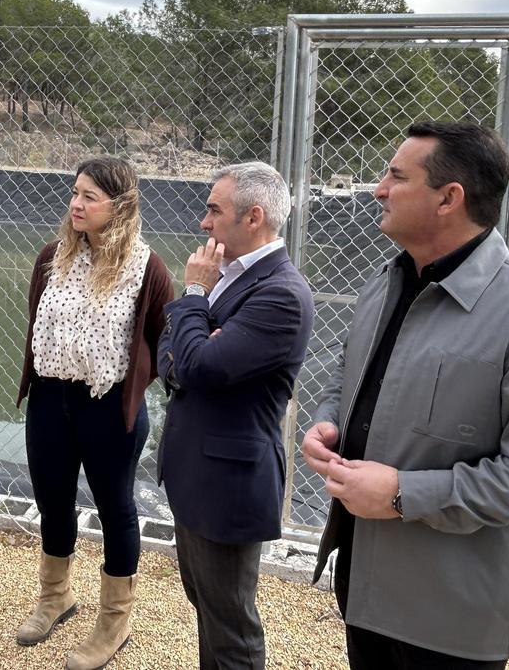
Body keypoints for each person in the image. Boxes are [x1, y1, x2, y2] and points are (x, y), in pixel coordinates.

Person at [303, 121, 509, 668]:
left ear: (448, 198)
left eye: (395, 176)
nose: (377, 189)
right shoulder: (386, 281)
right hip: (366, 587)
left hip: (451, 619)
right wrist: (328, 421)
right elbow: (349, 372)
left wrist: (403, 494)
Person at [14, 156, 174, 670]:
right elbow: (40, 322)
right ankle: (55, 596)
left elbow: (160, 341)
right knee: (52, 501)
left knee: (116, 510)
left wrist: (134, 387)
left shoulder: (147, 269)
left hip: (108, 408)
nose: (75, 204)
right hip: (49, 401)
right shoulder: (51, 256)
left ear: (120, 205)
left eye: (89, 196)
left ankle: (113, 621)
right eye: (75, 193)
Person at [157, 161, 315, 670]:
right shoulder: (227, 275)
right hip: (197, 475)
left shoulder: (281, 294)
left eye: (213, 209)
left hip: (228, 485)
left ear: (253, 217)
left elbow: (199, 362)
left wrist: (195, 301)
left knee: (231, 627)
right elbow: (171, 348)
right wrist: (193, 343)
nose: (203, 223)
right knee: (206, 605)